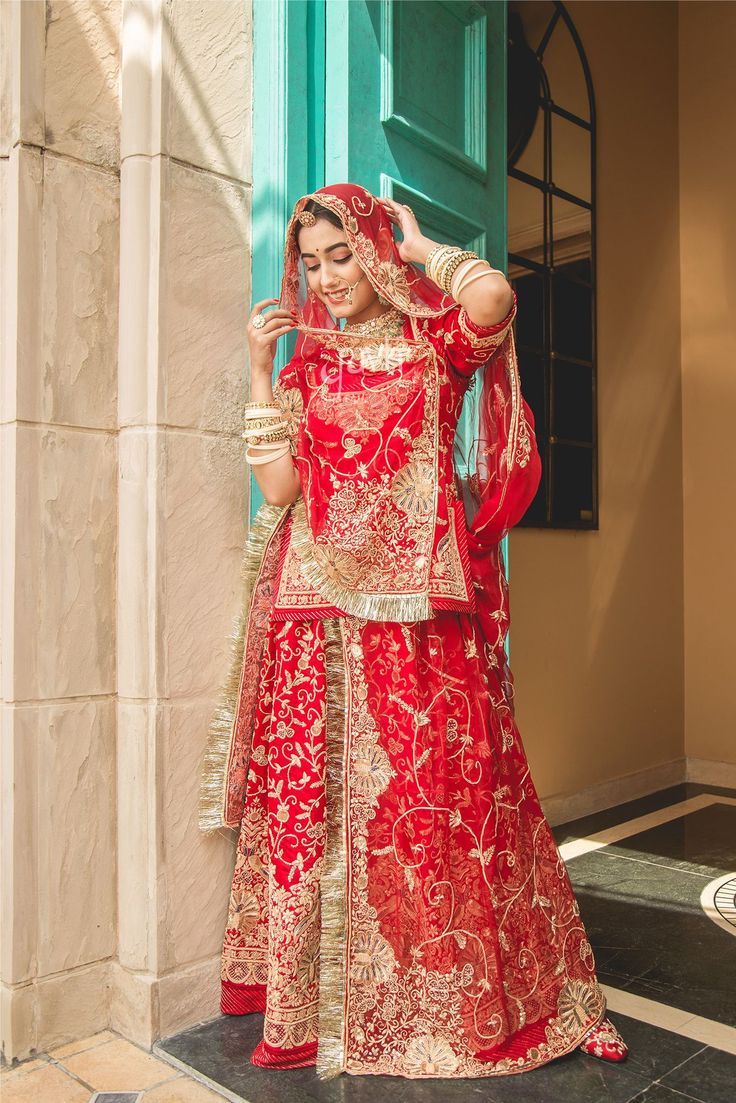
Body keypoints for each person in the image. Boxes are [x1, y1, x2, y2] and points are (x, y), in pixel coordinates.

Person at [198, 182, 628, 1080]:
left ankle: (447, 998)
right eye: (312, 262)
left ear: (375, 249)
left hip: (421, 621)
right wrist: (254, 366)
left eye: (342, 253)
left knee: (440, 808)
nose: (327, 276)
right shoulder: (305, 368)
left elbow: (496, 302)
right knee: (320, 818)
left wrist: (425, 243)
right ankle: (326, 1012)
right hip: (316, 619)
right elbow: (280, 492)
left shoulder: (433, 345)